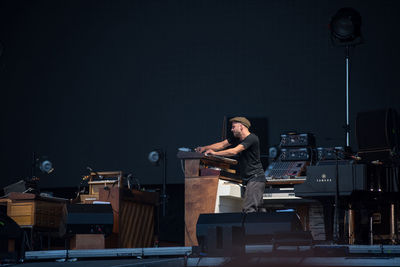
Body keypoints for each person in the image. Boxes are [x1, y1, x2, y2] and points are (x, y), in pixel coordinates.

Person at [195, 117, 266, 213]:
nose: (231, 129)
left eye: (233, 127)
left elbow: (234, 151)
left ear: (241, 126)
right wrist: (204, 148)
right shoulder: (237, 138)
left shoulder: (252, 138)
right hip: (250, 179)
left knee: (249, 210)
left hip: (255, 178)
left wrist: (215, 153)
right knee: (259, 210)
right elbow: (222, 145)